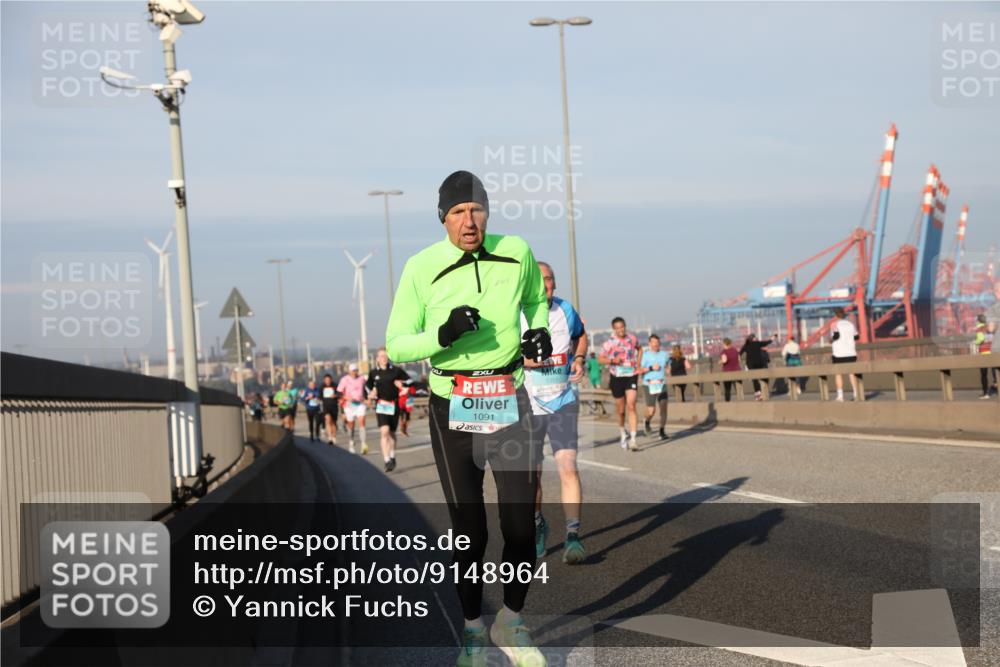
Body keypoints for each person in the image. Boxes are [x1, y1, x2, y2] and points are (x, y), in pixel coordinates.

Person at [385, 170, 551, 667]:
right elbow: (397, 343)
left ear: (487, 213)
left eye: (476, 209)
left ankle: (512, 620)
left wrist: (537, 331)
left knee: (522, 527)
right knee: (469, 531)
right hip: (452, 404)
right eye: (458, 212)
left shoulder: (516, 251)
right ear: (443, 219)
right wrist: (443, 333)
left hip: (507, 396)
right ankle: (473, 629)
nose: (469, 220)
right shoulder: (421, 267)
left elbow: (534, 301)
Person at [522, 261, 588, 566]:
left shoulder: (566, 310)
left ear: (554, 283)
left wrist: (579, 357)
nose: (544, 285)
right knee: (532, 478)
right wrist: (524, 362)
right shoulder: (516, 313)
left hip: (563, 401)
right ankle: (537, 524)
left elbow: (581, 335)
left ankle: (573, 536)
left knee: (568, 467)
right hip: (528, 405)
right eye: (538, 280)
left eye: (548, 279)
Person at [599, 317, 640, 451]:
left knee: (631, 405)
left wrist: (638, 364)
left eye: (622, 327)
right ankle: (623, 432)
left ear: (625, 326)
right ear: (614, 329)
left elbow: (640, 349)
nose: (620, 330)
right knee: (621, 410)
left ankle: (633, 439)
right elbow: (600, 359)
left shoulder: (632, 339)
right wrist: (612, 360)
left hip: (631, 375)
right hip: (616, 377)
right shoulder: (609, 343)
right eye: (617, 328)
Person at [366, 347, 409, 472]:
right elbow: (367, 386)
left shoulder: (396, 371)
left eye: (385, 356)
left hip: (393, 405)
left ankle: (392, 456)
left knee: (392, 433)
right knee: (384, 431)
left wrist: (402, 385)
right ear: (377, 359)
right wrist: (371, 393)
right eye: (381, 356)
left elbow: (410, 381)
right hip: (382, 405)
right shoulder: (374, 373)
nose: (383, 358)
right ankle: (386, 460)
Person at [637, 334, 669, 439]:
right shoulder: (645, 355)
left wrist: (669, 369)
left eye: (657, 342)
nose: (656, 344)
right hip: (649, 384)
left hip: (661, 384)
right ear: (649, 344)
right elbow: (639, 370)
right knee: (651, 410)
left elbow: (668, 364)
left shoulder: (665, 354)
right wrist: (651, 368)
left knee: (663, 408)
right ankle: (647, 421)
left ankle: (662, 431)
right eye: (653, 342)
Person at [831, 307, 860, 402]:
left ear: (835, 315)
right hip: (851, 352)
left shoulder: (834, 324)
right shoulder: (850, 324)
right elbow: (856, 336)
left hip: (838, 353)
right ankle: (856, 394)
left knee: (838, 374)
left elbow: (836, 336)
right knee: (852, 373)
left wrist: (830, 340)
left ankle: (840, 396)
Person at [338, 363, 369, 454]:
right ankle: (351, 441)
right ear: (349, 371)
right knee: (351, 425)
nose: (355, 373)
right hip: (349, 405)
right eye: (353, 371)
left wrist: (367, 398)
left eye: (356, 370)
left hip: (360, 404)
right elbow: (339, 392)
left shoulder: (362, 378)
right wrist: (346, 397)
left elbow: (366, 389)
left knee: (362, 423)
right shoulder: (344, 379)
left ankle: (363, 444)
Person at [739, 333, 774, 400]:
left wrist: (739, 358)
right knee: (762, 378)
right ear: (753, 339)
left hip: (750, 365)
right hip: (759, 363)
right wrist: (772, 338)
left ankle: (758, 393)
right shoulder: (757, 343)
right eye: (755, 338)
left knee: (755, 380)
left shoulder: (746, 345)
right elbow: (766, 343)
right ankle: (762, 393)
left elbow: (740, 353)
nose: (756, 338)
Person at [974, 313, 996, 399]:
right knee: (995, 371)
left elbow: (981, 339)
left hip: (984, 353)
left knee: (984, 374)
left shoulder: (979, 329)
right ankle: (995, 384)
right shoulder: (989, 328)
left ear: (978, 320)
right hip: (992, 351)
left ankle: (985, 393)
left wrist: (975, 343)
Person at [319, 373, 339, 445]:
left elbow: (340, 394)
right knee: (328, 420)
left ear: (331, 380)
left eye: (329, 380)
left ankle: (334, 437)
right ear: (324, 380)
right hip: (326, 406)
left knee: (333, 422)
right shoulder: (322, 386)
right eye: (326, 380)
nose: (327, 381)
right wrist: (319, 400)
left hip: (334, 406)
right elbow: (320, 396)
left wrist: (335, 395)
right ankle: (330, 437)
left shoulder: (335, 385)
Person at [720, 337, 741, 402]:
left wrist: (720, 362)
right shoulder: (735, 350)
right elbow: (739, 359)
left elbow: (724, 360)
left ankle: (727, 402)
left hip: (727, 372)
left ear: (724, 344)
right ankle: (740, 401)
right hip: (737, 371)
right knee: (738, 388)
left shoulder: (724, 351)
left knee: (727, 389)